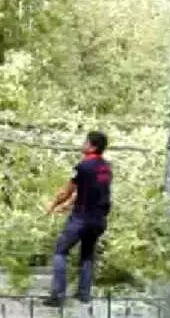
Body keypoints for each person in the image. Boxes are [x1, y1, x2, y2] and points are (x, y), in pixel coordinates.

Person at [43, 131, 112, 307]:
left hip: (81, 219)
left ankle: (57, 296)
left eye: (85, 141)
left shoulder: (82, 167)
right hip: (99, 220)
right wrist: (67, 205)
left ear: (92, 147)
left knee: (60, 251)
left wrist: (52, 205)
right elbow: (90, 190)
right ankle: (84, 294)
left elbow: (67, 192)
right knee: (87, 254)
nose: (83, 143)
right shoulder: (106, 167)